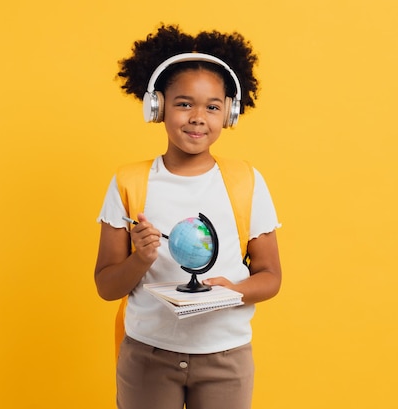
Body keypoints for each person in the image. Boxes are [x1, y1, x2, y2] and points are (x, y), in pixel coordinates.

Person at [94, 24, 282, 409]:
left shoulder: (246, 181)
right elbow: (106, 286)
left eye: (213, 106)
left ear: (229, 113)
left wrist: (234, 291)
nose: (198, 117)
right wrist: (140, 259)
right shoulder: (129, 182)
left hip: (225, 357)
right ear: (157, 107)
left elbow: (271, 276)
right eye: (184, 103)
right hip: (148, 355)